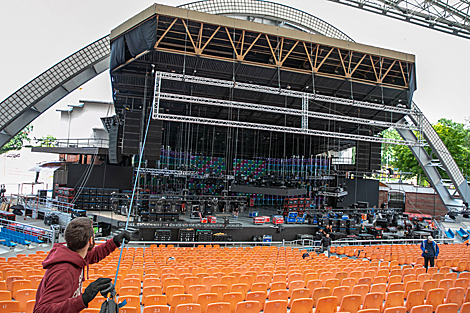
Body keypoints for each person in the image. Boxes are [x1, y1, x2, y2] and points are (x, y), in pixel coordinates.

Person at [33, 217, 131, 313]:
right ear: (90, 241)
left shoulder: (75, 255)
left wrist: (114, 241)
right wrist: (84, 299)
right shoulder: (64, 271)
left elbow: (94, 254)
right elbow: (41, 310)